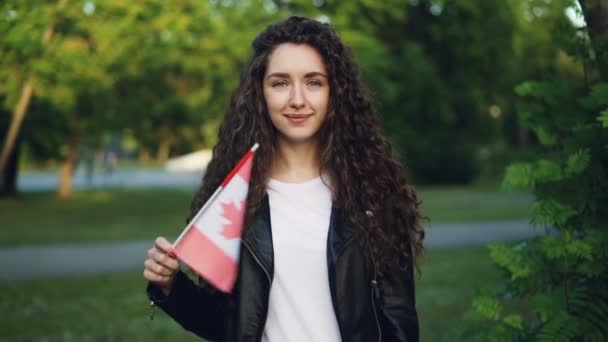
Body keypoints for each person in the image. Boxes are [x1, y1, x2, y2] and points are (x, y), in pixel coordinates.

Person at [143, 16, 424, 342]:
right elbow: (227, 326)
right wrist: (170, 287)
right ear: (260, 92)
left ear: (335, 93)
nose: (297, 99)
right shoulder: (236, 198)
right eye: (280, 83)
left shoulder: (374, 193)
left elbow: (399, 321)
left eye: (314, 82)